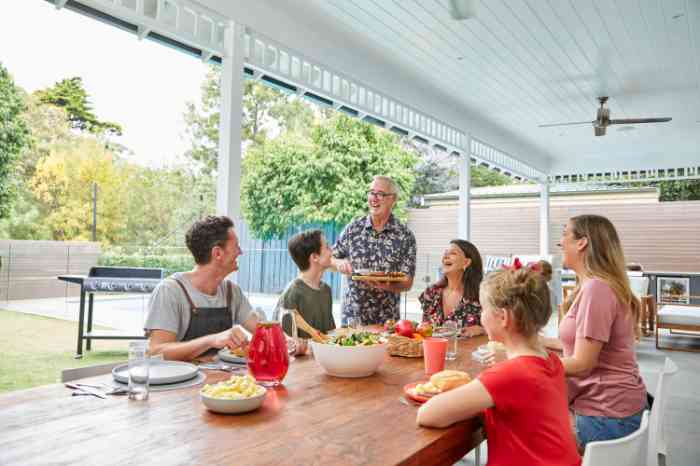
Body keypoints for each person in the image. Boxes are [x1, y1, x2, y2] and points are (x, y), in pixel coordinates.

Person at [417, 266, 581, 466]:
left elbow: (427, 415)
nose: (481, 316)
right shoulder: (552, 361)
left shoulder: (510, 374)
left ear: (503, 317)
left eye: (484, 309)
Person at [548, 214, 647, 448]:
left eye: (564, 235)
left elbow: (583, 363)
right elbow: (586, 346)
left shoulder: (597, 289)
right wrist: (534, 342)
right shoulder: (595, 285)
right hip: (615, 408)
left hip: (605, 417)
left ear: (582, 243)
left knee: (518, 428)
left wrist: (528, 365)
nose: (560, 243)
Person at [144, 216, 260, 361]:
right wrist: (211, 340)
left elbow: (264, 330)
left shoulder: (232, 292)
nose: (240, 252)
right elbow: (156, 352)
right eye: (236, 246)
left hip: (222, 380)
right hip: (183, 382)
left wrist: (292, 343)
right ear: (217, 253)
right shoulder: (170, 290)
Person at [332, 175, 416, 325]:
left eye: (380, 194)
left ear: (393, 199)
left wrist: (385, 285)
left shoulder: (405, 236)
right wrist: (339, 263)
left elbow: (407, 282)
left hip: (387, 322)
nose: (374, 198)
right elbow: (331, 258)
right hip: (352, 320)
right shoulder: (353, 228)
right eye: (371, 192)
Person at [275, 229, 336, 354]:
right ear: (314, 257)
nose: (332, 251)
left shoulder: (326, 291)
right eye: (327, 247)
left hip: (325, 363)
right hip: (299, 369)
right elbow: (283, 344)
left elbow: (330, 335)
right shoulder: (292, 293)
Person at [419, 239, 485, 337]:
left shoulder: (482, 295)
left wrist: (482, 330)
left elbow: (498, 332)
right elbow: (424, 330)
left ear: (466, 262)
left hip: (469, 351)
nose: (445, 256)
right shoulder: (431, 293)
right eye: (445, 253)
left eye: (453, 253)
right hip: (435, 351)